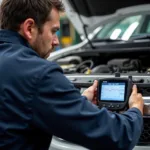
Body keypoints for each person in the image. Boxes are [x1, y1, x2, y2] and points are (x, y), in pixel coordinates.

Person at [0, 0, 144, 150]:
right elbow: (118, 136)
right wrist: (136, 109)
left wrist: (78, 103)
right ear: (29, 28)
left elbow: (26, 105)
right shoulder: (39, 74)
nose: (56, 41)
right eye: (54, 31)